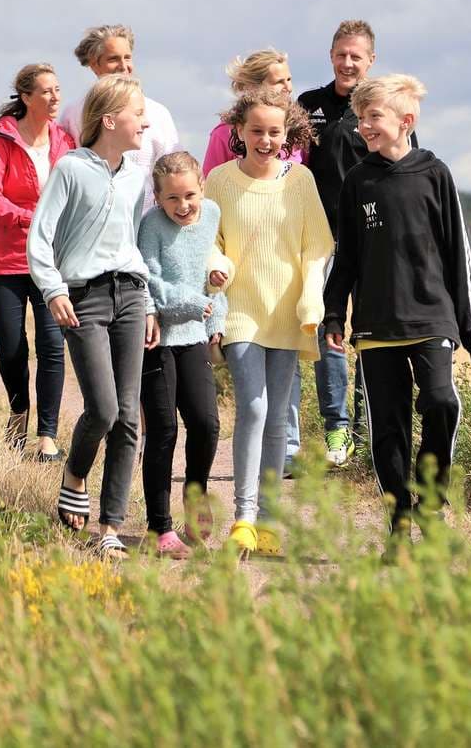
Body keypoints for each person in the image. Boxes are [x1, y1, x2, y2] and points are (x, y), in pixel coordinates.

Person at [322, 75, 471, 544]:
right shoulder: (358, 182)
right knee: (387, 431)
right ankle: (398, 524)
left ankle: (431, 501)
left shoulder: (435, 174)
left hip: (432, 317)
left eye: (373, 117)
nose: (363, 127)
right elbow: (346, 257)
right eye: (360, 119)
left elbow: (460, 252)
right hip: (376, 326)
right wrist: (335, 313)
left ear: (406, 121)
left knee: (441, 401)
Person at [29, 74, 160, 561]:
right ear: (109, 120)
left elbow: (131, 241)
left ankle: (109, 526)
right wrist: (53, 289)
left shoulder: (135, 173)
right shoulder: (70, 168)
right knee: (102, 409)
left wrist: (146, 301)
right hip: (84, 298)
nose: (144, 121)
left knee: (129, 417)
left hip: (129, 293)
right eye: (137, 113)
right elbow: (40, 238)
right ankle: (75, 473)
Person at [203, 88, 329, 558]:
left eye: (274, 131)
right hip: (239, 308)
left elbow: (317, 245)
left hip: (287, 310)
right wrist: (216, 264)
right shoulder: (217, 180)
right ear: (238, 131)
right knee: (253, 408)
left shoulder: (301, 182)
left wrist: (312, 299)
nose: (265, 139)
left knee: (278, 416)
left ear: (287, 134)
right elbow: (206, 236)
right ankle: (244, 516)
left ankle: (271, 520)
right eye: (256, 130)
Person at [294, 20, 410, 467]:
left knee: (372, 336)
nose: (347, 62)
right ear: (331, 55)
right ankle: (338, 427)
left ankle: (368, 429)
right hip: (321, 242)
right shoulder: (310, 105)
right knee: (330, 335)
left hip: (374, 240)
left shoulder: (384, 109)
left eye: (356, 56)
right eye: (341, 54)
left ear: (371, 61)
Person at [0, 63, 76, 460]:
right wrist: (29, 218)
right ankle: (18, 413)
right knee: (12, 348)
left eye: (57, 90)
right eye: (47, 91)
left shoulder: (64, 141)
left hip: (51, 260)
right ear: (26, 97)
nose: (55, 98)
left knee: (53, 344)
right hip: (4, 260)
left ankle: (47, 435)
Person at [136, 151, 234, 558]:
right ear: (157, 198)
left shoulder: (211, 214)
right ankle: (160, 527)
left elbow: (216, 273)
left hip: (194, 335)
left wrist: (215, 320)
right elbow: (150, 281)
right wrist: (194, 302)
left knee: (207, 423)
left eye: (189, 195)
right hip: (157, 337)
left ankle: (196, 499)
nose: (183, 206)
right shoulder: (151, 226)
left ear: (202, 188)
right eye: (172, 198)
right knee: (163, 431)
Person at [57, 24, 181, 211]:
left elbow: (173, 170)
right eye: (113, 59)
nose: (123, 66)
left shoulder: (158, 114)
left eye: (127, 57)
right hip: (92, 222)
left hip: (146, 223)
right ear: (94, 64)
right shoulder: (73, 114)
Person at [202, 49, 304, 173]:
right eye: (279, 82)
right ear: (253, 86)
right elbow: (211, 184)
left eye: (288, 79)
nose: (289, 88)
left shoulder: (297, 128)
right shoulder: (224, 133)